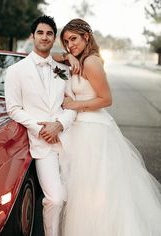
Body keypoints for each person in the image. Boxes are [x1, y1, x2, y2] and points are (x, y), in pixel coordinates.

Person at [53, 18, 161, 236]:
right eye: (66, 41)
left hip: (95, 132)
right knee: (85, 191)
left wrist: (76, 104)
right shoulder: (78, 59)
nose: (70, 44)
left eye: (73, 39)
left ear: (86, 36)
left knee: (97, 190)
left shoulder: (91, 62)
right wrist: (68, 56)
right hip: (82, 129)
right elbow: (53, 56)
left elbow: (106, 99)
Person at [4, 15, 76, 236]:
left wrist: (60, 125)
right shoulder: (15, 71)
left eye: (49, 33)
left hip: (70, 140)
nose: (45, 37)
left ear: (54, 38)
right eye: (40, 33)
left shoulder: (63, 70)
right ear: (32, 36)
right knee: (54, 198)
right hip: (41, 143)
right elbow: (14, 109)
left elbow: (73, 105)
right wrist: (42, 129)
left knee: (75, 197)